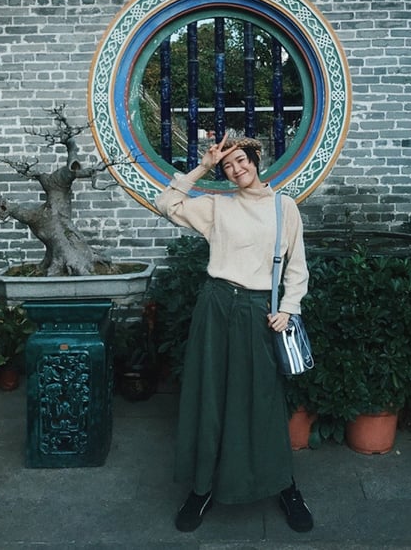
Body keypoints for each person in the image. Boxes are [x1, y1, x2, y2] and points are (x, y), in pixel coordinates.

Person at [154, 135, 313, 533]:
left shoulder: (284, 207)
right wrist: (203, 166)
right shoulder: (217, 207)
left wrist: (288, 309)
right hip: (216, 305)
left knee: (263, 399)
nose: (236, 169)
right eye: (228, 166)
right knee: (210, 395)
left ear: (256, 160)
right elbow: (166, 203)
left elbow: (297, 266)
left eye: (241, 160)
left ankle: (285, 486)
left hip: (259, 312)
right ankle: (202, 489)